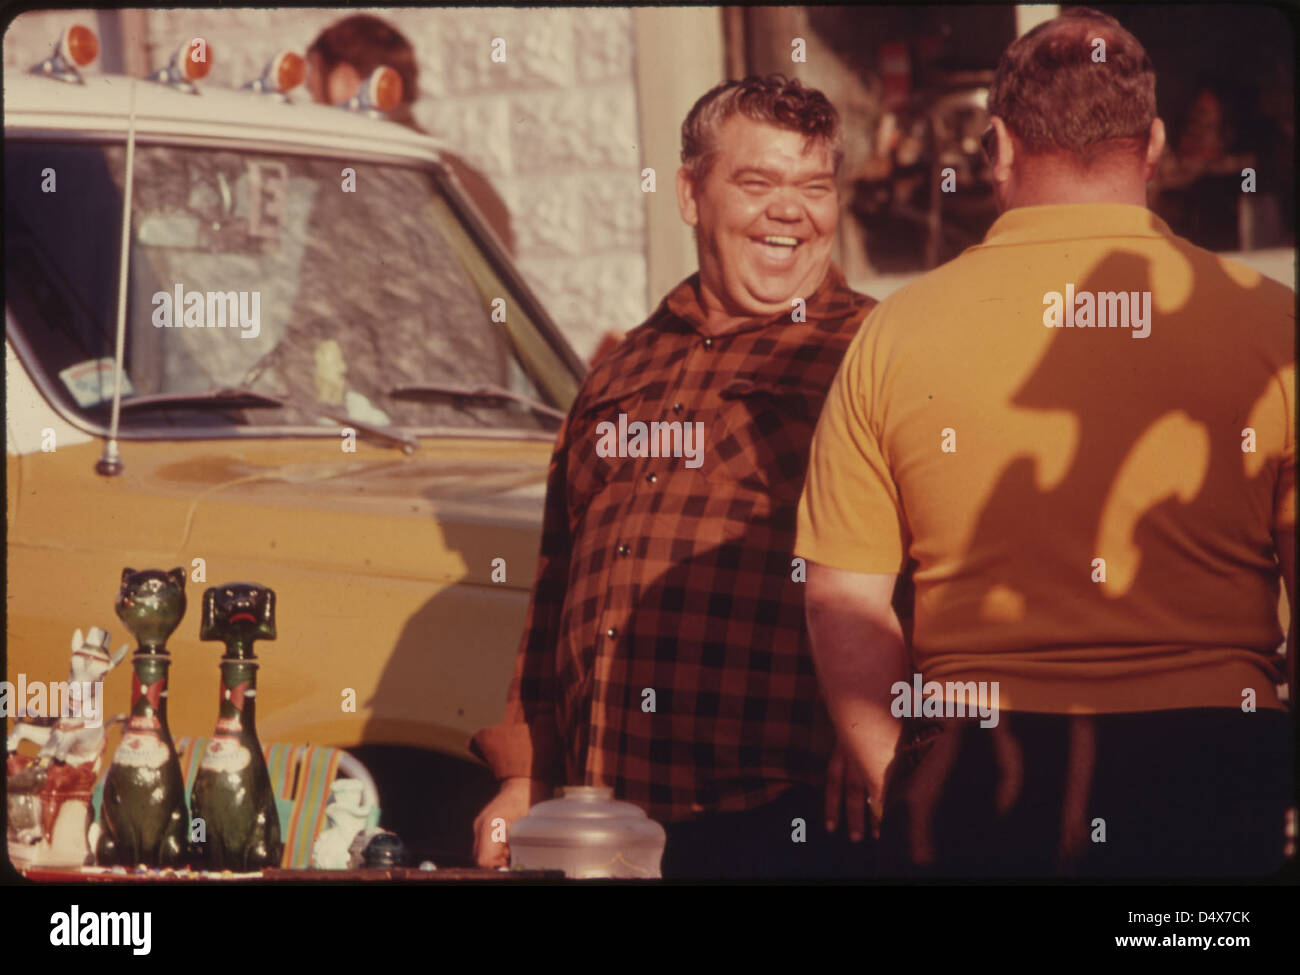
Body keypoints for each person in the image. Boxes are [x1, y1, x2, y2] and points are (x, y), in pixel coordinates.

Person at [797, 7, 1294, 877]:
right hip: (1214, 762)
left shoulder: (894, 334)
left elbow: (844, 599)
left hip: (975, 763)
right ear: (1157, 146)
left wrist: (895, 779)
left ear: (997, 145)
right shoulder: (1274, 325)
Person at [470, 75, 880, 878]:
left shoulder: (870, 354)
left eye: (814, 187)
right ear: (691, 193)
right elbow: (555, 580)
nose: (790, 210)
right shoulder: (624, 365)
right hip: (606, 809)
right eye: (756, 182)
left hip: (780, 813)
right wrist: (524, 774)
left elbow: (943, 569)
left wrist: (881, 731)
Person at [304, 14, 515, 255]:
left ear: (345, 83)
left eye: (314, 94)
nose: (314, 106)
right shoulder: (464, 179)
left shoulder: (356, 182)